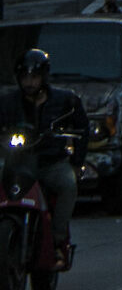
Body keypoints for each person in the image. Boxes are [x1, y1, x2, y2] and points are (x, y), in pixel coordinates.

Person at [0, 47, 83, 264]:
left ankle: (57, 240)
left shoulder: (64, 100)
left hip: (50, 162)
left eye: (34, 77)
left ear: (43, 77)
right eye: (25, 76)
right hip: (16, 163)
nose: (29, 82)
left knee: (68, 184)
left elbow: (81, 127)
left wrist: (76, 161)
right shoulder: (7, 102)